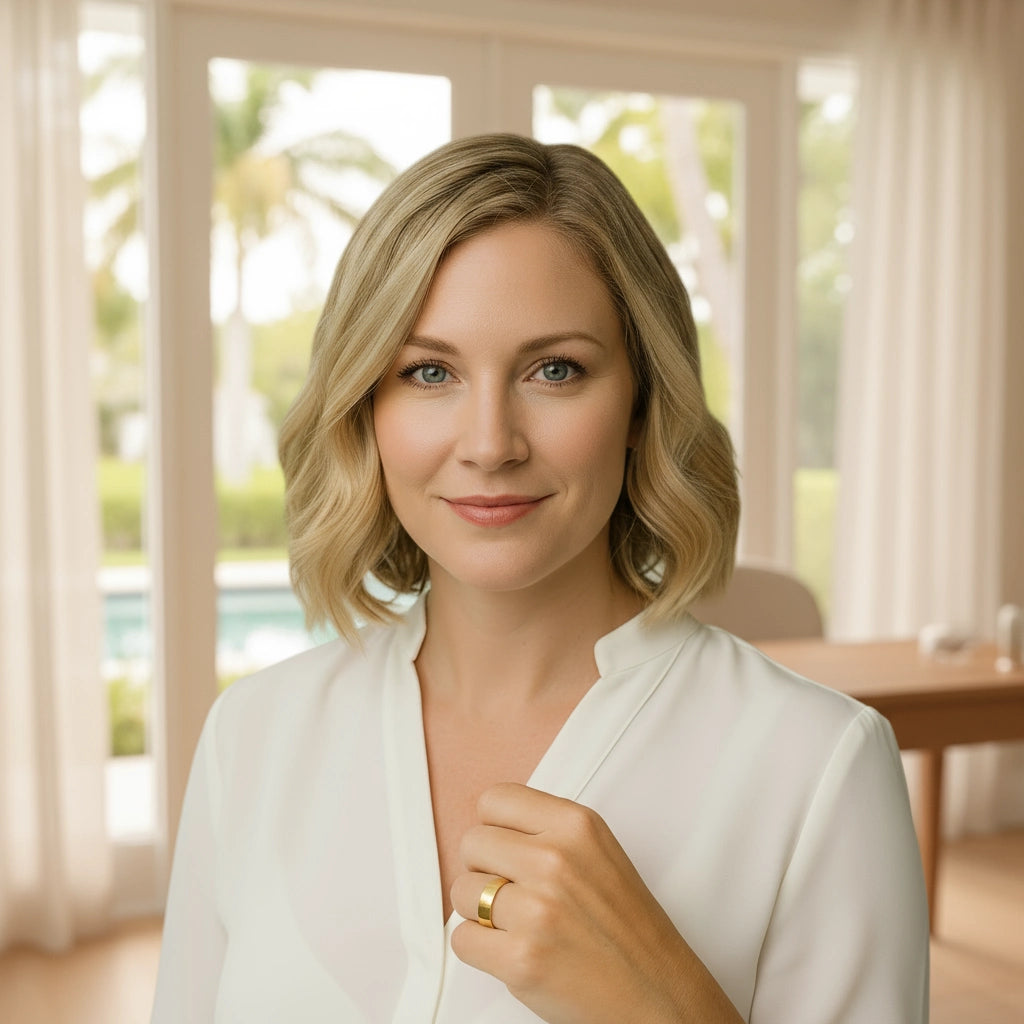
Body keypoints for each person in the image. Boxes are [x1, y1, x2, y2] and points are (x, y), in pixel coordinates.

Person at [151, 134, 929, 1023]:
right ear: (365, 407)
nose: (490, 443)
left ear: (641, 402)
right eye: (429, 372)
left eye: (555, 370)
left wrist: (663, 1004)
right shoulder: (252, 737)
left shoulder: (817, 766)